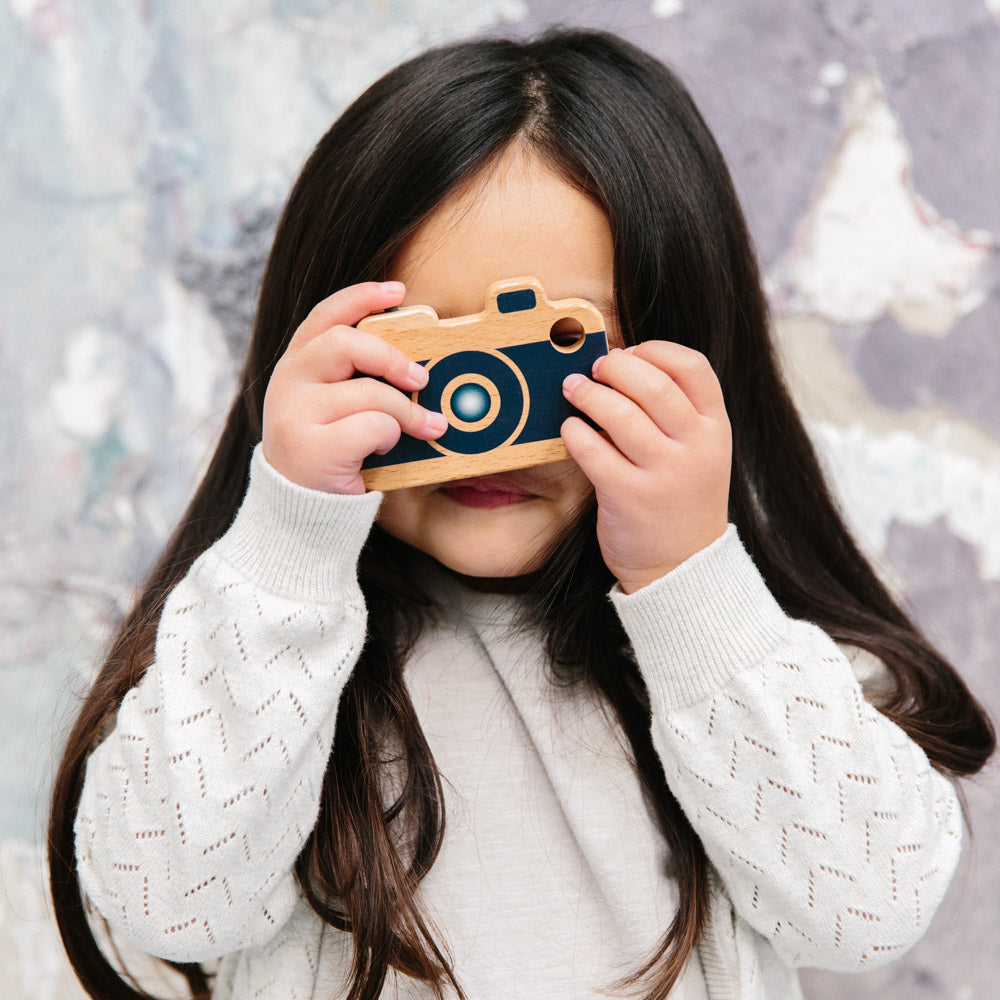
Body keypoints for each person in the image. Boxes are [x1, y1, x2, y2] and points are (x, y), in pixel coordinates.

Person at [48, 27, 994, 1000]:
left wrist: (688, 579)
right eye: (425, 353)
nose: (479, 416)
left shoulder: (748, 657)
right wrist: (289, 535)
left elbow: (865, 908)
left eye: (555, 351)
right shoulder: (249, 652)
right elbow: (167, 902)